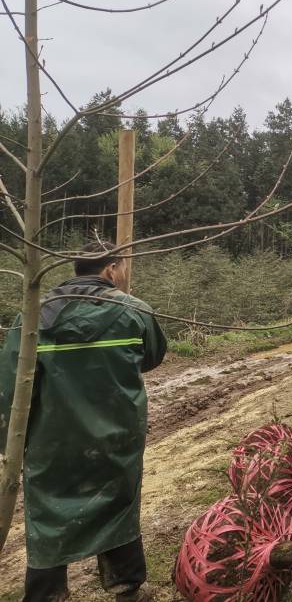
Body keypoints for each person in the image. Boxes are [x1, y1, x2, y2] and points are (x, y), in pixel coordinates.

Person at [0, 241, 167, 602]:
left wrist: (8, 445)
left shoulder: (33, 316)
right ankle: (126, 585)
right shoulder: (134, 311)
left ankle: (46, 595)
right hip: (116, 437)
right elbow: (151, 356)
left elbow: (12, 385)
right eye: (123, 267)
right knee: (118, 504)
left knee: (47, 518)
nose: (124, 275)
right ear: (111, 269)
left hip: (51, 442)